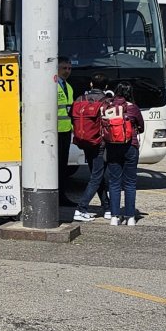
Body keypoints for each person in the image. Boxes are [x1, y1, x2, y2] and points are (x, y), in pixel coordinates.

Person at [103, 81, 146, 227]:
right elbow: (141, 126)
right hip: (130, 146)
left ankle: (114, 217)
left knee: (114, 183)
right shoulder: (133, 108)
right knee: (130, 183)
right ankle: (130, 217)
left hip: (112, 147)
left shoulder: (108, 106)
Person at [72, 73, 112, 222]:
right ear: (106, 87)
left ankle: (107, 208)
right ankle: (81, 209)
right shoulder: (106, 101)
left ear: (91, 84)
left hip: (84, 141)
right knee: (96, 177)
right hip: (100, 143)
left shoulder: (80, 99)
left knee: (98, 175)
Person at [54, 56, 75, 204]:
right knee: (55, 167)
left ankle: (62, 196)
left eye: (69, 68)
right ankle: (57, 196)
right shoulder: (52, 85)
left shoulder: (68, 86)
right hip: (53, 133)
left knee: (63, 167)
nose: (67, 71)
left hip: (65, 132)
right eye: (64, 68)